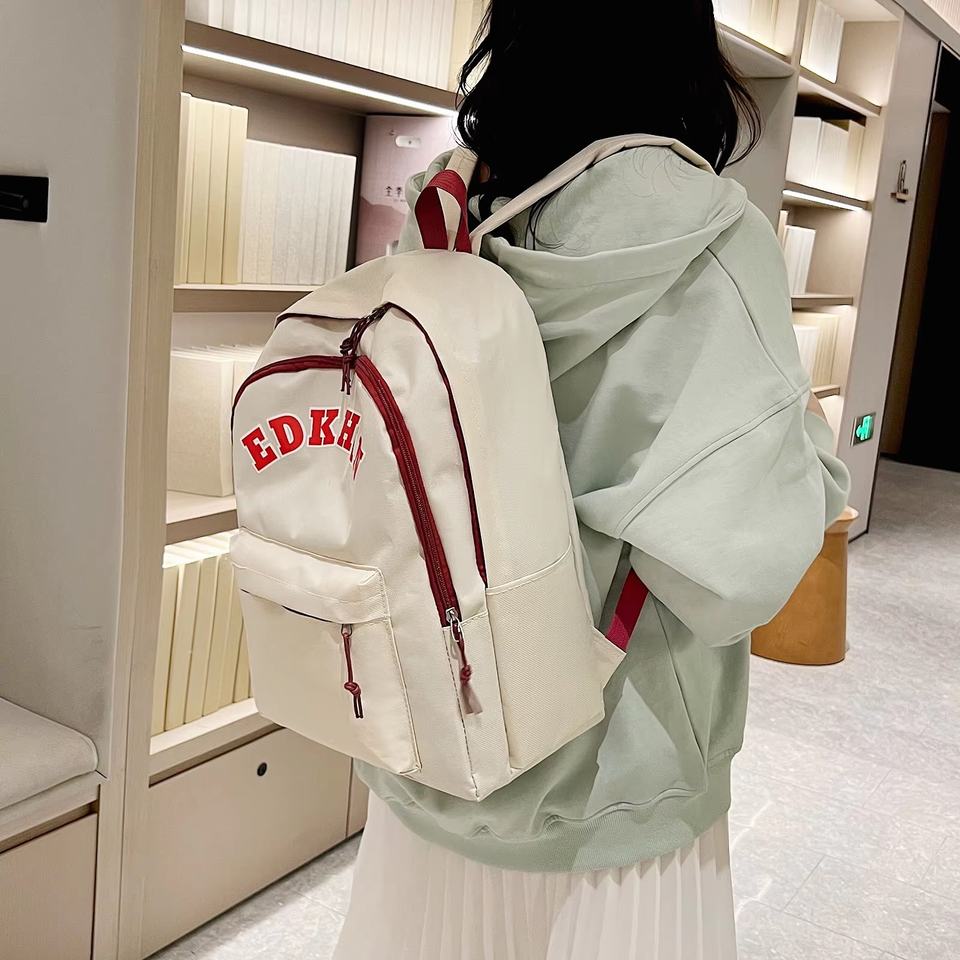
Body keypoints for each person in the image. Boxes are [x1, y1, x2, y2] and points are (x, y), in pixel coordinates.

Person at [335, 2, 850, 957]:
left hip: (440, 722)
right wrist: (807, 456)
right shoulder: (709, 235)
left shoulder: (450, 212)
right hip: (616, 766)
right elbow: (739, 569)